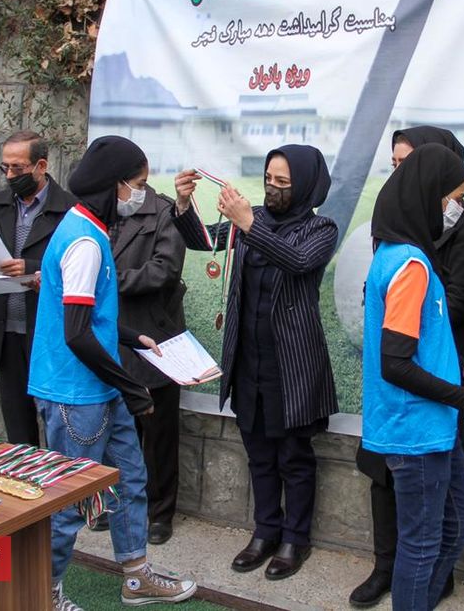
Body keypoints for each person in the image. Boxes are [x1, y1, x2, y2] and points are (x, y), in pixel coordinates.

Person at [27, 136, 196, 610]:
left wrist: (129, 337)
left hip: (100, 387)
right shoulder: (84, 241)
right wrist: (132, 386)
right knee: (70, 501)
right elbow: (76, 333)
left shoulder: (91, 229)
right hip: (76, 394)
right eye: (138, 184)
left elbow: (92, 316)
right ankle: (44, 593)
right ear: (115, 185)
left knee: (130, 480)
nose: (142, 193)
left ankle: (136, 576)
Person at [172, 145, 338, 580]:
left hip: (293, 364)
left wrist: (247, 223)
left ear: (306, 186)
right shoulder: (255, 218)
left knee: (294, 456)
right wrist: (184, 204)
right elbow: (203, 239)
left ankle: (295, 539)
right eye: (268, 179)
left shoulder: (320, 228)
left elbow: (298, 261)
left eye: (283, 182)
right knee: (259, 453)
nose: (272, 188)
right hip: (249, 358)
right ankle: (265, 531)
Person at [362, 144, 464, 611]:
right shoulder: (409, 265)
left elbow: (416, 345)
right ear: (429, 194)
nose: (456, 210)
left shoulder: (399, 254)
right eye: (455, 198)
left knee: (461, 523)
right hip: (416, 431)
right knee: (422, 543)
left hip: (433, 427)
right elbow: (395, 363)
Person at [109, 151, 187, 545]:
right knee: (115, 430)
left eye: (141, 184)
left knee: (158, 434)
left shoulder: (163, 211)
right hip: (110, 338)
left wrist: (109, 279)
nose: (138, 191)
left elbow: (164, 270)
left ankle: (160, 512)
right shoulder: (100, 214)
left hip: (154, 337)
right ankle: (115, 503)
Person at [0, 130, 76, 445]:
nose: (10, 175)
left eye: (18, 168)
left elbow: (75, 266)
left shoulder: (69, 210)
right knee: (17, 423)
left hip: (47, 331)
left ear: (41, 166)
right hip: (6, 327)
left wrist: (32, 268)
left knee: (56, 420)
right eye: (5, 167)